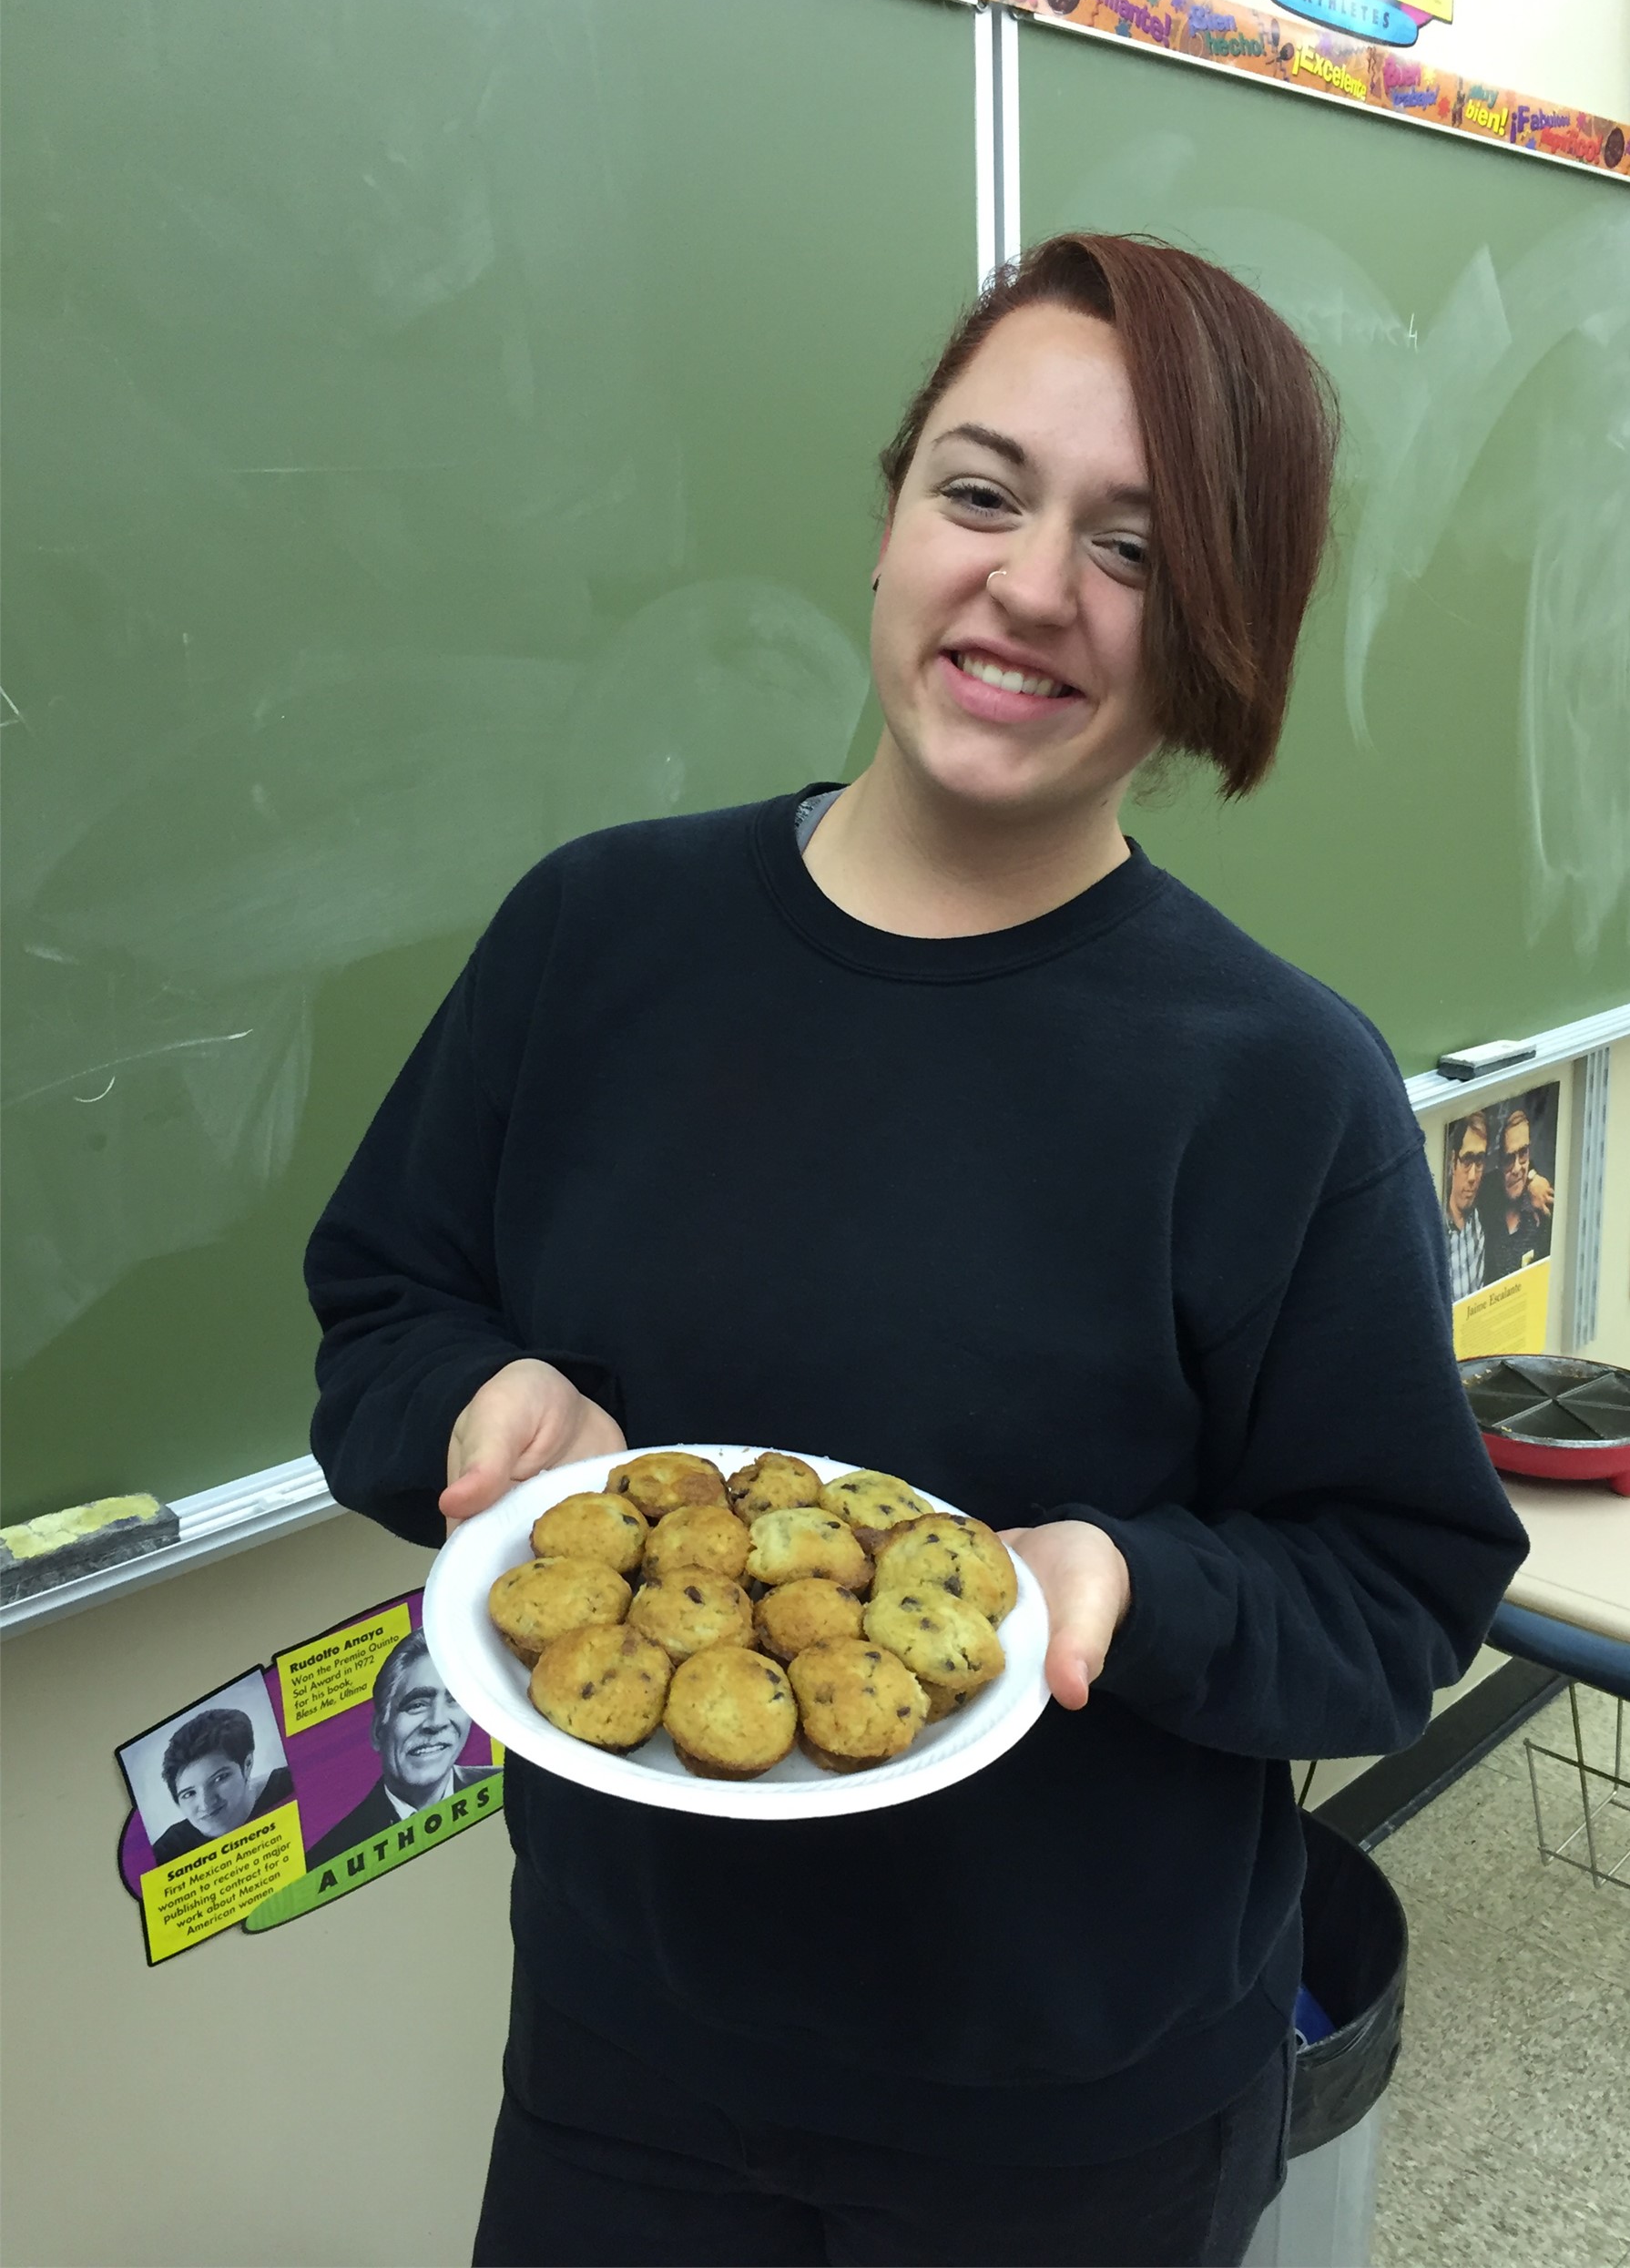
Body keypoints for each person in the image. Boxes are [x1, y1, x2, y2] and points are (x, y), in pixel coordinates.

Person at [306, 233, 1528, 2268]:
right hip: (630, 2052)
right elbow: (385, 1306)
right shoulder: (597, 942)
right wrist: (472, 1400)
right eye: (982, 491)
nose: (1034, 585)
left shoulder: (1279, 1084)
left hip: (1073, 2119)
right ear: (890, 523)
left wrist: (1126, 1579)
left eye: (1137, 549)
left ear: (1220, 628)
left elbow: (1399, 1589)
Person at [305, 1629, 494, 1867]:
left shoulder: (507, 1785)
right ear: (378, 1731)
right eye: (416, 1705)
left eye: (454, 1699)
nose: (437, 1722)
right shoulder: (330, 1857)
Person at [149, 1705, 294, 1865]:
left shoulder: (291, 1784)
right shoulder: (168, 1852)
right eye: (189, 1794)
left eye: (219, 1779)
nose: (206, 1803)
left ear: (247, 1764)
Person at [1478, 1104, 1553, 1282]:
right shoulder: (1483, 1199)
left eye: (1523, 1153)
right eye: (1509, 1159)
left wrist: (1533, 1176)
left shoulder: (1542, 1205)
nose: (1518, 1168)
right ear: (1497, 1160)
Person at [1443, 1110, 1490, 1300]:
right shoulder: (1436, 1230)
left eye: (1479, 1161)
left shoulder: (1481, 1218)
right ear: (1453, 1161)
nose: (1473, 1177)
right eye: (1467, 1160)